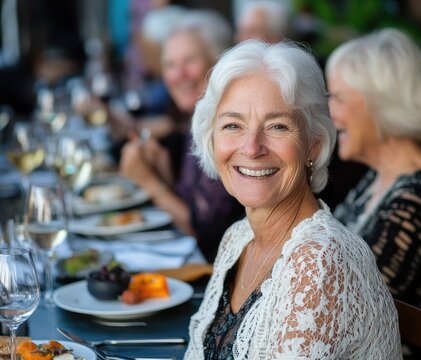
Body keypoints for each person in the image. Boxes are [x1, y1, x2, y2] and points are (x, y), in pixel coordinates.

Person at [185, 40, 401, 359]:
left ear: (312, 145)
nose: (251, 147)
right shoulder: (239, 238)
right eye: (233, 125)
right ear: (211, 138)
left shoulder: (321, 262)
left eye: (277, 126)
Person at [327, 29, 421, 326]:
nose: (330, 112)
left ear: (381, 104)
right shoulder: (381, 177)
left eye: (338, 98)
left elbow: (348, 307)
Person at [119, 10, 243, 262]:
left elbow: (204, 235)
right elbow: (189, 206)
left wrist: (148, 183)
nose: (179, 75)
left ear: (218, 62)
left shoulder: (226, 125)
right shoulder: (198, 117)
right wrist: (161, 169)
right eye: (170, 65)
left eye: (190, 61)